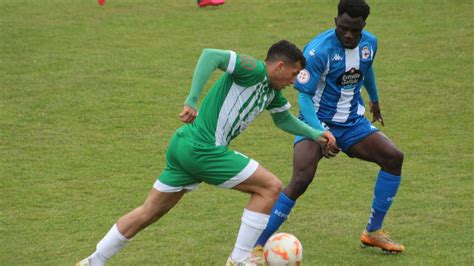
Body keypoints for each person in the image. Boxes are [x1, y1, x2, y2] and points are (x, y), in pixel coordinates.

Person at [76, 40, 336, 266]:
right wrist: (191, 99)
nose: (294, 81)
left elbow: (284, 120)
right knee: (270, 187)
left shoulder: (272, 93)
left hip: (184, 145)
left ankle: (94, 260)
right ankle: (240, 259)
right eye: (293, 74)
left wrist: (315, 134)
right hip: (203, 148)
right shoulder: (253, 70)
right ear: (279, 66)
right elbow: (210, 55)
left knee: (149, 211)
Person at [255, 0, 406, 253]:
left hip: (351, 122)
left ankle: (373, 231)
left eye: (355, 30)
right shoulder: (318, 51)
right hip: (314, 121)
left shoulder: (370, 43)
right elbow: (304, 97)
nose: (348, 35)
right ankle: (259, 244)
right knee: (301, 178)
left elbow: (366, 69)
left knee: (394, 158)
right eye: (343, 28)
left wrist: (375, 100)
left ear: (363, 26)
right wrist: (318, 133)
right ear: (336, 21)